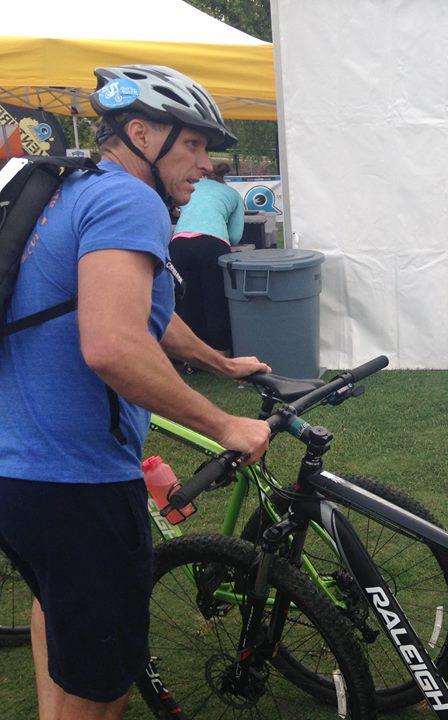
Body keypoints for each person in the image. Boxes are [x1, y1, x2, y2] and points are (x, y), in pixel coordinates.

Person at [0, 65, 272, 720]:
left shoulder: (72, 186)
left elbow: (135, 304)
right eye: (193, 146)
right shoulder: (130, 199)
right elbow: (113, 344)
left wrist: (217, 360)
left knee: (57, 616)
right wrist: (222, 424)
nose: (205, 165)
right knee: (102, 695)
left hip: (17, 474)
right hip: (79, 483)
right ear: (141, 132)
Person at [170, 161, 245, 352]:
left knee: (186, 298)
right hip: (213, 244)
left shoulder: (192, 187)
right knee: (215, 298)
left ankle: (189, 355)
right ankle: (220, 351)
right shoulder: (233, 195)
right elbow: (235, 236)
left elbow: (176, 209)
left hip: (179, 243)